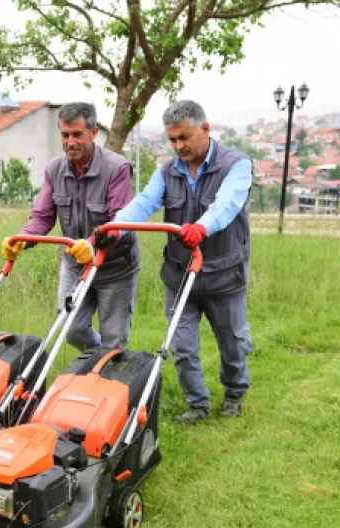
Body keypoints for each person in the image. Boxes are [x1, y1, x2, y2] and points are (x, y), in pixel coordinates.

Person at [107, 100, 254, 424]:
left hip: (224, 275)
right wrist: (113, 228)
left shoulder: (237, 164)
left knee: (232, 342)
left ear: (205, 128)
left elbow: (226, 204)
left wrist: (201, 227)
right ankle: (197, 403)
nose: (178, 146)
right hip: (180, 273)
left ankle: (234, 392)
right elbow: (144, 203)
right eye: (172, 140)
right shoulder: (167, 170)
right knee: (182, 345)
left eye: (184, 138)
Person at [2, 102, 140, 352]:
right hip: (76, 266)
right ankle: (95, 360)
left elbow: (120, 222)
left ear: (93, 132)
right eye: (65, 135)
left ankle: (106, 380)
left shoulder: (116, 168)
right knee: (71, 329)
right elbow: (42, 217)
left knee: (115, 340)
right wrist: (22, 238)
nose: (70, 142)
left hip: (115, 268)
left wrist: (92, 243)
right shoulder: (55, 169)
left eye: (77, 134)